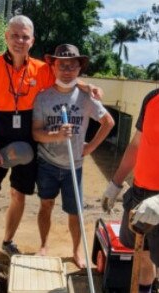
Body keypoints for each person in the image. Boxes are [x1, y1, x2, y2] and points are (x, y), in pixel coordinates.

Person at [0, 15, 103, 277]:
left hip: (29, 142)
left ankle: (7, 241)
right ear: (6, 36)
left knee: (19, 194)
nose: (19, 40)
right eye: (15, 35)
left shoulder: (41, 69)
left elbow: (67, 77)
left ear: (32, 41)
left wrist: (88, 86)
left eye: (25, 36)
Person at [32, 44, 114, 268]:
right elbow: (36, 133)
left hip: (74, 166)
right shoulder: (43, 98)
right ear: (54, 67)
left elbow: (108, 122)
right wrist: (56, 134)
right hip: (48, 163)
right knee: (45, 205)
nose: (67, 70)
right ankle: (43, 245)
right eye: (62, 65)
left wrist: (89, 148)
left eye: (72, 66)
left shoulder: (87, 98)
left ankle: (77, 252)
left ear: (79, 68)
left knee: (75, 212)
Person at [101, 88, 159, 293]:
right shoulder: (152, 98)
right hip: (139, 194)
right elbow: (136, 143)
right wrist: (115, 183)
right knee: (142, 255)